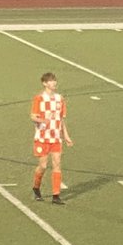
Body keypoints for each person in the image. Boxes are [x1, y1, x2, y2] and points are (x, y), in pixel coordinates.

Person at [31, 72, 73, 205]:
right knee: (43, 165)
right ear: (45, 83)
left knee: (57, 164)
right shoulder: (39, 98)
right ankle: (36, 187)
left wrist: (66, 135)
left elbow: (61, 119)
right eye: (51, 81)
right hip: (42, 137)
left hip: (56, 137)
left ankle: (56, 195)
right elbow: (33, 116)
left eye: (54, 80)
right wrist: (43, 120)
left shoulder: (60, 99)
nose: (54, 83)